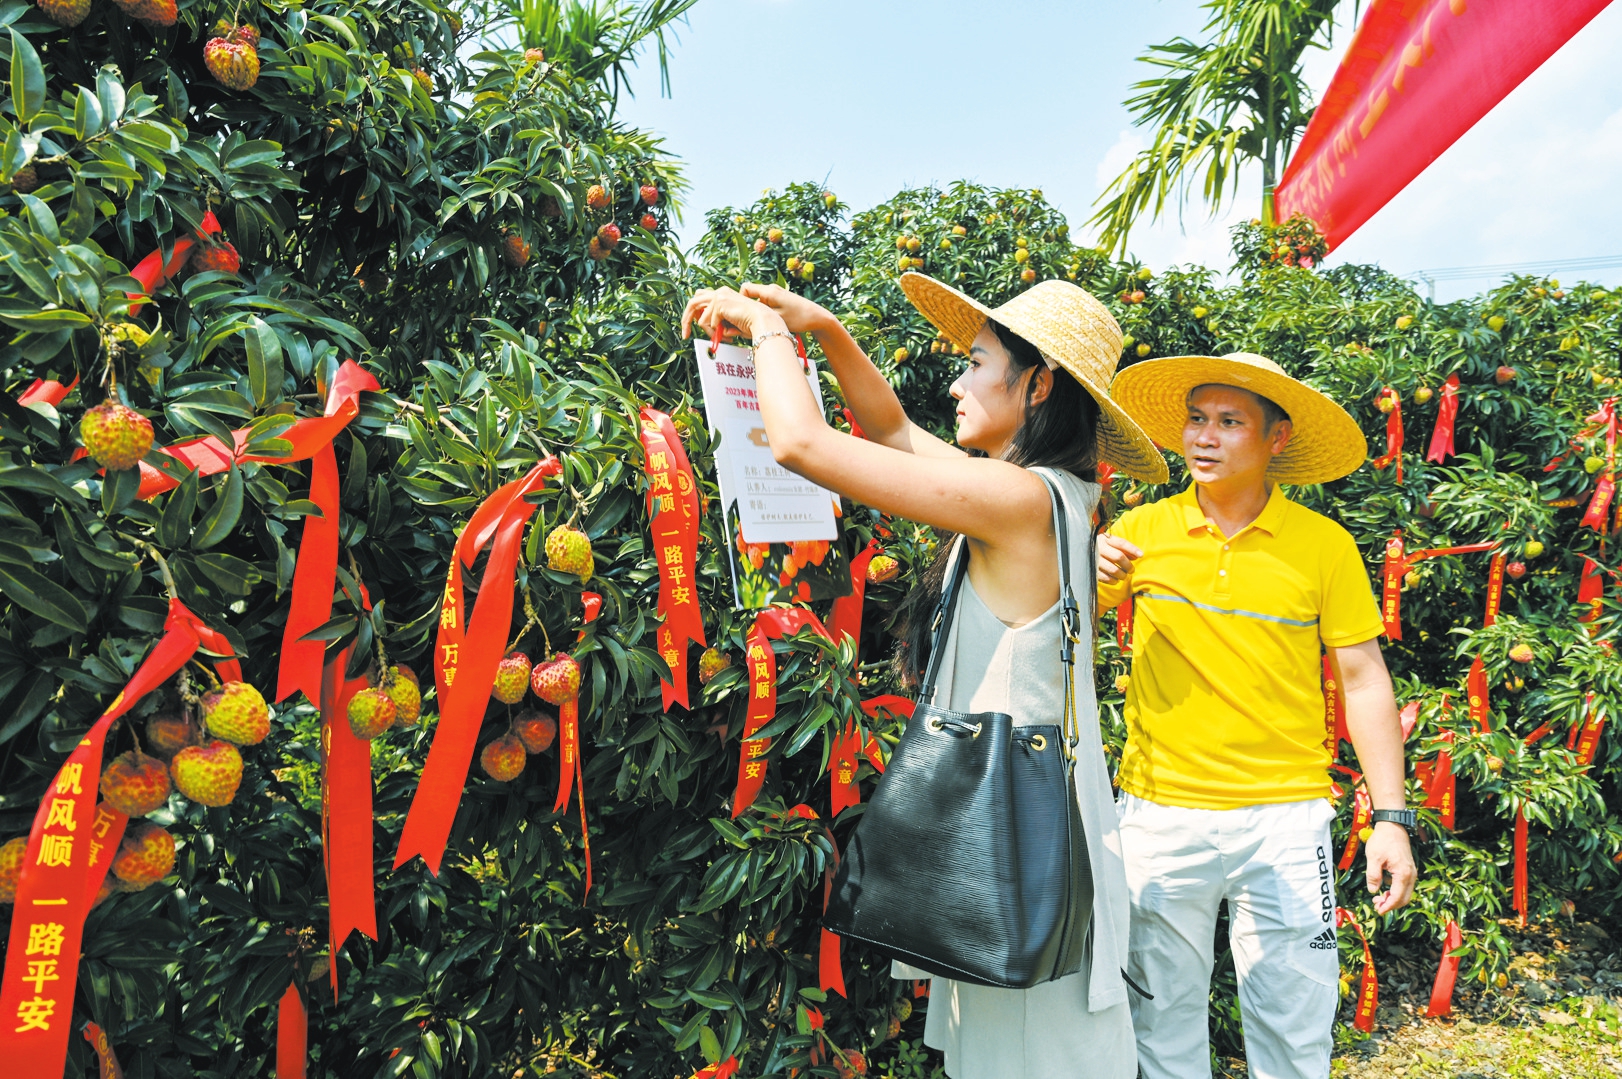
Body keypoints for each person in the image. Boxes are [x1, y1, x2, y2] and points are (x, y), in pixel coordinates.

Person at [681, 272, 1167, 1078]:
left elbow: (803, 446)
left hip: (1014, 842)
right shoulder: (1049, 494)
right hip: (1030, 832)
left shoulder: (1017, 499)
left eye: (977, 362)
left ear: (1038, 383)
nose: (956, 381)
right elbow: (894, 430)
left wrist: (766, 332)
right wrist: (827, 332)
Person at [1095, 352, 1418, 1079]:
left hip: (1285, 818)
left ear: (1276, 439)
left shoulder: (1322, 546)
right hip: (1156, 813)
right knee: (1158, 1027)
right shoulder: (1141, 530)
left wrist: (1393, 817)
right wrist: (1091, 572)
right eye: (1197, 419)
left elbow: (1364, 680)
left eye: (1229, 422)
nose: (1204, 437)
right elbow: (1062, 630)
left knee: (1295, 1028)